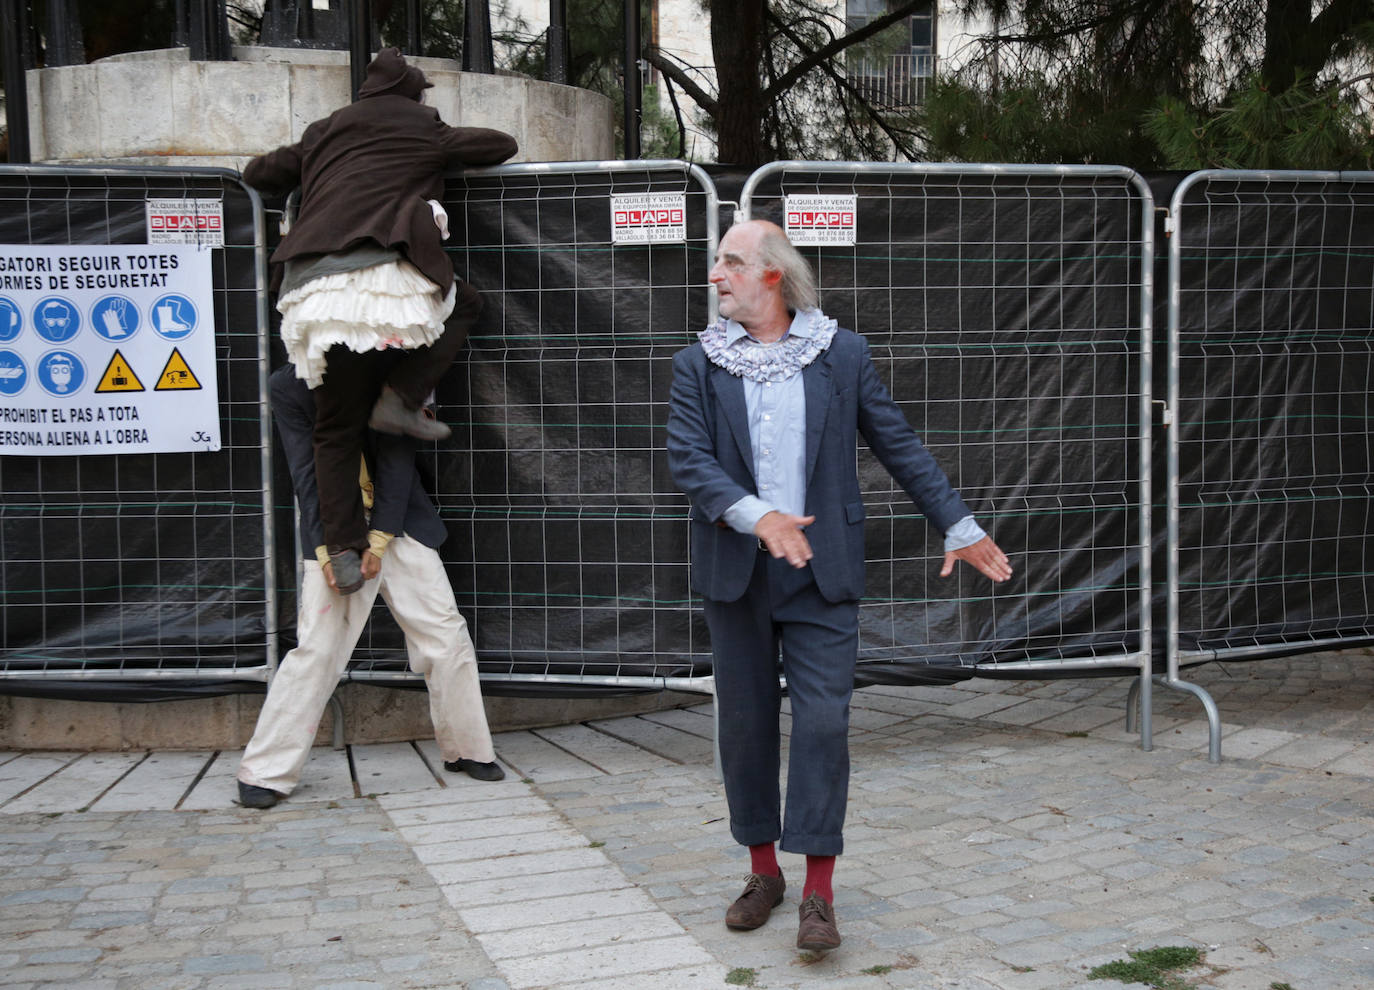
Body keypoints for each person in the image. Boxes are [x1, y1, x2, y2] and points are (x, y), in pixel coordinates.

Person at [666, 220, 1013, 953]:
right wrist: (761, 519)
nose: (714, 275)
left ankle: (819, 892)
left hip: (823, 573)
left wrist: (959, 524)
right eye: (716, 262)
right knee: (746, 726)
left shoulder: (841, 354)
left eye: (730, 262)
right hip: (739, 574)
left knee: (824, 726)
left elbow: (899, 443)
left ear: (771, 276)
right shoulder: (697, 364)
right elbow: (690, 463)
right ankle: (765, 873)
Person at [243, 47, 518, 595]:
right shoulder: (422, 124)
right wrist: (439, 149)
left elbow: (258, 172)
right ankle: (402, 395)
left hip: (314, 289)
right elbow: (501, 145)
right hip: (382, 279)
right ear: (414, 95)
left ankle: (342, 552)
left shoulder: (325, 129)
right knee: (466, 304)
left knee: (334, 428)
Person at [237, 365, 504, 810]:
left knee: (444, 635)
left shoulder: (392, 372)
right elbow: (305, 471)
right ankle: (265, 771)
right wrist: (326, 551)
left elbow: (398, 464)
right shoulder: (288, 385)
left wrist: (379, 541)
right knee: (318, 649)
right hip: (334, 527)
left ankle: (467, 749)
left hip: (399, 520)